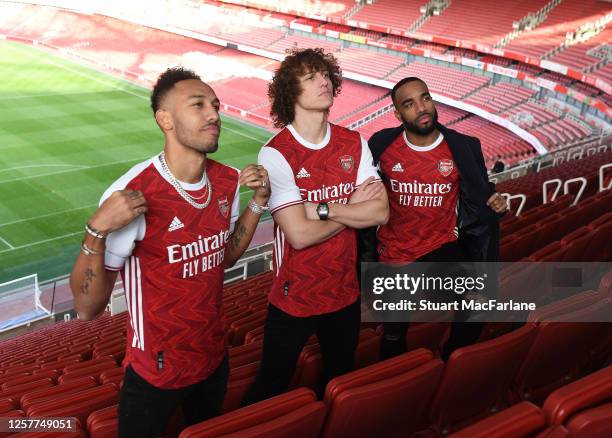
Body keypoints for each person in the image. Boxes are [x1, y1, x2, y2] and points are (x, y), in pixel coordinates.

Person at [69, 67, 271, 437]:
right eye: (198, 105)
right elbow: (86, 308)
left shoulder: (227, 181)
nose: (214, 114)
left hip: (214, 358)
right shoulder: (133, 194)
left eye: (215, 104)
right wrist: (96, 230)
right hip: (154, 373)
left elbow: (221, 258)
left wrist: (258, 203)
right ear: (165, 119)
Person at [242, 48, 389, 405]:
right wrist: (352, 206)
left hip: (345, 293)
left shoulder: (354, 142)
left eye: (325, 74)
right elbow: (299, 235)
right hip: (295, 298)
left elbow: (381, 212)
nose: (323, 81)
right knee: (271, 384)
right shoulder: (275, 153)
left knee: (338, 380)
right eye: (311, 77)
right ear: (291, 93)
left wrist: (322, 208)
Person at [360, 77, 508, 360]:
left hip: (440, 250)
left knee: (478, 304)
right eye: (409, 104)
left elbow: (481, 194)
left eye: (425, 98)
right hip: (394, 255)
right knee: (392, 337)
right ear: (397, 113)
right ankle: (393, 385)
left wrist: (497, 203)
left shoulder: (464, 147)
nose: (421, 107)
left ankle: (450, 359)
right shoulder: (381, 145)